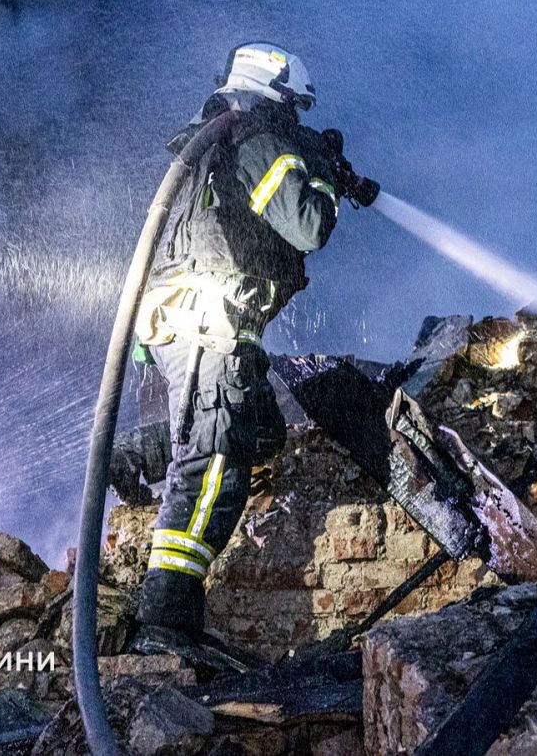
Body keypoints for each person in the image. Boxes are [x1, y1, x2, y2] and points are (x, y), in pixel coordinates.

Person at [126, 42, 347, 662]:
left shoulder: (210, 147)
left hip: (184, 325)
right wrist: (324, 171)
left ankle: (138, 453)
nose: (296, 120)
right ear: (277, 95)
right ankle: (166, 619)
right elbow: (307, 225)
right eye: (295, 108)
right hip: (211, 327)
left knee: (258, 432)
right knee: (214, 464)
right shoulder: (257, 137)